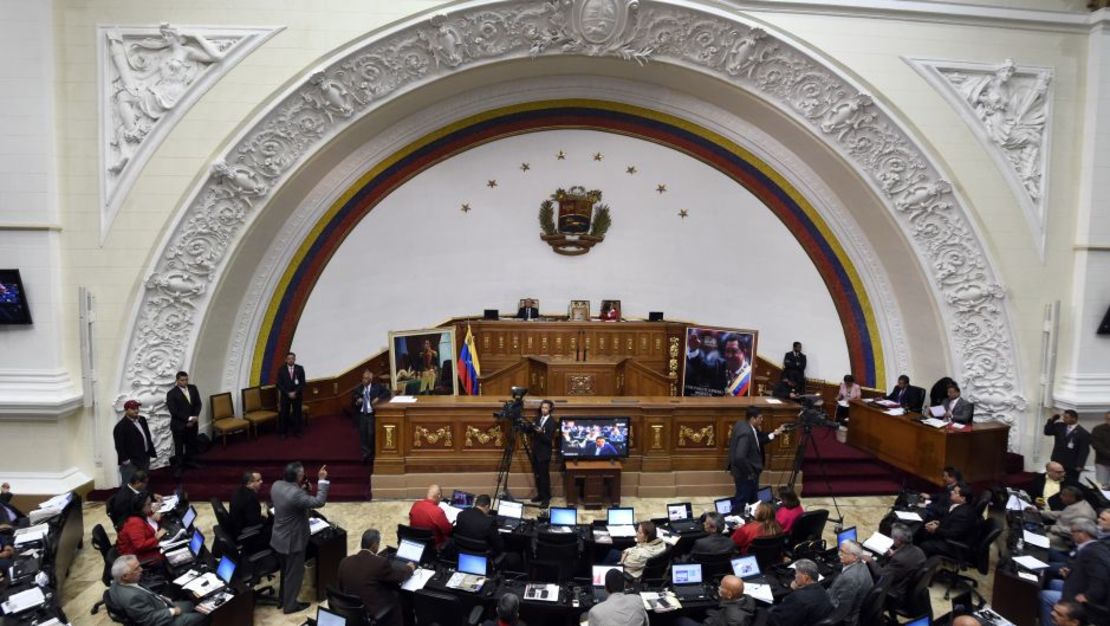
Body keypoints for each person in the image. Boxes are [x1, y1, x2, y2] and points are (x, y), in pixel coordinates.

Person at [270, 461, 330, 614]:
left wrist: (302, 490)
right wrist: (322, 480)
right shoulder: (296, 494)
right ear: (297, 477)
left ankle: (283, 598)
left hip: (278, 538)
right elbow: (319, 502)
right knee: (294, 574)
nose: (304, 475)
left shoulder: (276, 485)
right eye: (302, 474)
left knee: (286, 571)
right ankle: (290, 605)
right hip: (292, 541)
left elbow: (292, 499)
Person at [1039, 519, 1110, 626]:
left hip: (1080, 602)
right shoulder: (1091, 547)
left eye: (1073, 532)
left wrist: (1088, 596)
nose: (1071, 535)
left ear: (1083, 534)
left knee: (1044, 596)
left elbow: (1102, 578)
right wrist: (1070, 572)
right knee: (1053, 582)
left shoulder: (1093, 552)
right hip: (1074, 587)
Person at [337, 528, 413, 626]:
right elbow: (398, 577)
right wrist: (410, 568)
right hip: (372, 614)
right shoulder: (380, 563)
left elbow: (341, 588)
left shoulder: (344, 562)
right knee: (398, 598)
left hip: (351, 612)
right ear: (374, 545)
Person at [108, 555, 205, 625]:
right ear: (125, 576)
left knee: (193, 604)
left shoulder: (116, 584)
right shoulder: (132, 597)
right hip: (163, 620)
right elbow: (148, 620)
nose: (141, 570)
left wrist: (162, 598)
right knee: (203, 617)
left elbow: (144, 594)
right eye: (136, 568)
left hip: (158, 605)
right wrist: (173, 611)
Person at [727, 406, 785, 511]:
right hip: (746, 474)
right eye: (760, 418)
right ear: (753, 419)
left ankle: (751, 521)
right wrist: (750, 473)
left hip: (746, 472)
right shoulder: (747, 433)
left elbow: (758, 439)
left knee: (752, 499)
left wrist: (774, 434)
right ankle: (738, 520)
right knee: (743, 500)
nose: (762, 420)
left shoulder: (742, 424)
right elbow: (739, 457)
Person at [863, 522, 925, 606]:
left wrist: (870, 560)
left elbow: (880, 574)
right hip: (908, 583)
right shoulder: (919, 551)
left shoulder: (899, 559)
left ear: (898, 540)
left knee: (866, 573)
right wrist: (895, 554)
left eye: (892, 537)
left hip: (898, 589)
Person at [919, 483, 978, 558]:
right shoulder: (960, 507)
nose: (951, 492)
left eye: (955, 492)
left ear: (963, 498)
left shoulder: (963, 514)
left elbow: (954, 535)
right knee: (923, 532)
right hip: (950, 537)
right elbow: (952, 521)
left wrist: (936, 530)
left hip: (954, 546)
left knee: (926, 545)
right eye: (953, 490)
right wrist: (939, 522)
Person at [768, 559, 833, 626]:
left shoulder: (798, 598)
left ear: (805, 578)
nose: (795, 576)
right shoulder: (822, 589)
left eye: (796, 573)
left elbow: (776, 621)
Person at [675, 575, 756, 626]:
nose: (719, 588)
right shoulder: (749, 598)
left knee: (680, 620)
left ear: (729, 595)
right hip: (721, 617)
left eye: (721, 587)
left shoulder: (733, 619)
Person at [165, 371, 202, 477]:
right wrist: (189, 419)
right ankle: (179, 467)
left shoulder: (193, 388)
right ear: (177, 380)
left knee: (191, 443)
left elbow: (198, 404)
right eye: (182, 380)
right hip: (179, 425)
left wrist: (194, 417)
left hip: (193, 423)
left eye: (186, 379)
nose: (185, 382)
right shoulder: (171, 393)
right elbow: (174, 411)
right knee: (179, 447)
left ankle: (191, 461)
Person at [828, 540, 873, 626]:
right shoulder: (862, 565)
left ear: (854, 557)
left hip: (846, 619)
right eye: (839, 550)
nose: (839, 554)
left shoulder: (850, 578)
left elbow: (841, 608)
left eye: (843, 552)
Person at [113, 399, 156, 486]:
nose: (136, 410)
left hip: (144, 457)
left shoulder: (142, 420)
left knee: (143, 482)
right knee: (129, 484)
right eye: (133, 408)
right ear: (126, 410)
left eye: (137, 408)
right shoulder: (121, 426)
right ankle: (127, 499)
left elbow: (147, 435)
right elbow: (119, 446)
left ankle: (141, 498)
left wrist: (149, 451)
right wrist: (126, 461)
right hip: (131, 461)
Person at [352, 369, 389, 467]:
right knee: (363, 434)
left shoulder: (377, 387)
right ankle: (366, 456)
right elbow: (353, 398)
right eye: (363, 378)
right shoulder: (359, 388)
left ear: (371, 379)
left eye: (367, 379)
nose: (364, 380)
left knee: (371, 434)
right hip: (362, 415)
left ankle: (373, 455)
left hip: (372, 414)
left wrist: (378, 398)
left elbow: (386, 393)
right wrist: (357, 400)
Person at [117, 492, 166, 565]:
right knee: (168, 554)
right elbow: (140, 546)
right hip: (134, 556)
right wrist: (157, 538)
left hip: (142, 550)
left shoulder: (141, 513)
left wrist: (153, 513)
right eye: (149, 504)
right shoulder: (134, 522)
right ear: (141, 507)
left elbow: (152, 520)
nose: (152, 505)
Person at [1046, 410, 1092, 483]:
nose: (1063, 419)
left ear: (1074, 419)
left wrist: (1080, 465)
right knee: (1053, 482)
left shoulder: (1083, 433)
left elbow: (1084, 450)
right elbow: (1047, 432)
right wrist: (1052, 420)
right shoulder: (1060, 426)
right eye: (1064, 417)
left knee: (1069, 483)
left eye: (1066, 417)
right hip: (1057, 460)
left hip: (1071, 464)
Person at [229, 469, 270, 539]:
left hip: (238, 526)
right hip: (246, 533)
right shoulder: (250, 498)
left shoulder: (239, 491)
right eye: (258, 480)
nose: (261, 482)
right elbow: (254, 522)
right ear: (249, 483)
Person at [530, 400, 556, 506]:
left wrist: (541, 433)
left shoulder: (552, 422)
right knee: (537, 475)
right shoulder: (537, 419)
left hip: (544, 453)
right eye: (542, 407)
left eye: (546, 408)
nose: (543, 409)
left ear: (550, 409)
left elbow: (549, 440)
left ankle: (546, 498)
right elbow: (532, 432)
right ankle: (540, 494)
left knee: (544, 476)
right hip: (536, 451)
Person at [408, 484, 452, 548]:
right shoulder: (438, 511)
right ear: (439, 496)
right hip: (434, 547)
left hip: (417, 541)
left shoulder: (415, 505)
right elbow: (448, 531)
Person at [276, 352, 306, 438]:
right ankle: (283, 433)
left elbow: (303, 383)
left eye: (292, 358)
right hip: (285, 396)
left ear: (295, 359)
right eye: (289, 358)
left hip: (297, 395)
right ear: (286, 360)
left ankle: (297, 432)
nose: (291, 360)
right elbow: (279, 384)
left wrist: (295, 392)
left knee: (297, 414)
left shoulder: (300, 368)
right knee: (284, 414)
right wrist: (288, 393)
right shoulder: (281, 370)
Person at [1092, 411, 1110, 488]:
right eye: (1109, 419)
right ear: (1105, 419)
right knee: (1103, 486)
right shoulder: (1098, 429)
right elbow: (1097, 445)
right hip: (1102, 462)